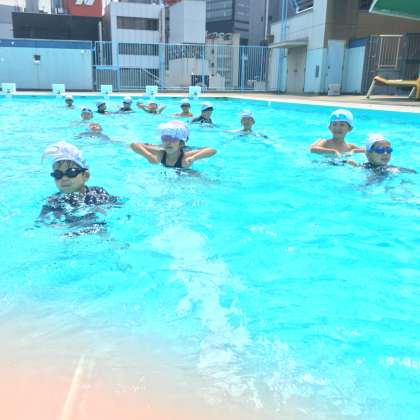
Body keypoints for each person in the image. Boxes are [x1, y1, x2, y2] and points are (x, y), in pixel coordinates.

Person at [39, 141, 120, 234]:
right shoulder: (54, 202)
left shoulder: (98, 192)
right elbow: (44, 224)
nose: (64, 178)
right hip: (71, 231)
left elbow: (118, 207)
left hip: (96, 226)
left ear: (85, 176)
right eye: (58, 174)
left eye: (71, 172)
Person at [130, 120, 216, 169]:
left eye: (173, 139)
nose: (168, 142)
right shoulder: (160, 153)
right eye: (165, 138)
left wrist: (194, 158)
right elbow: (134, 145)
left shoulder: (185, 157)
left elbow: (212, 150)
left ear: (181, 143)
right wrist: (148, 156)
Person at [344, 134, 417, 175]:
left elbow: (413, 172)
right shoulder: (364, 166)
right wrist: (355, 165)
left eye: (388, 150)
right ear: (368, 154)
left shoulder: (390, 168)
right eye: (380, 150)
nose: (385, 153)